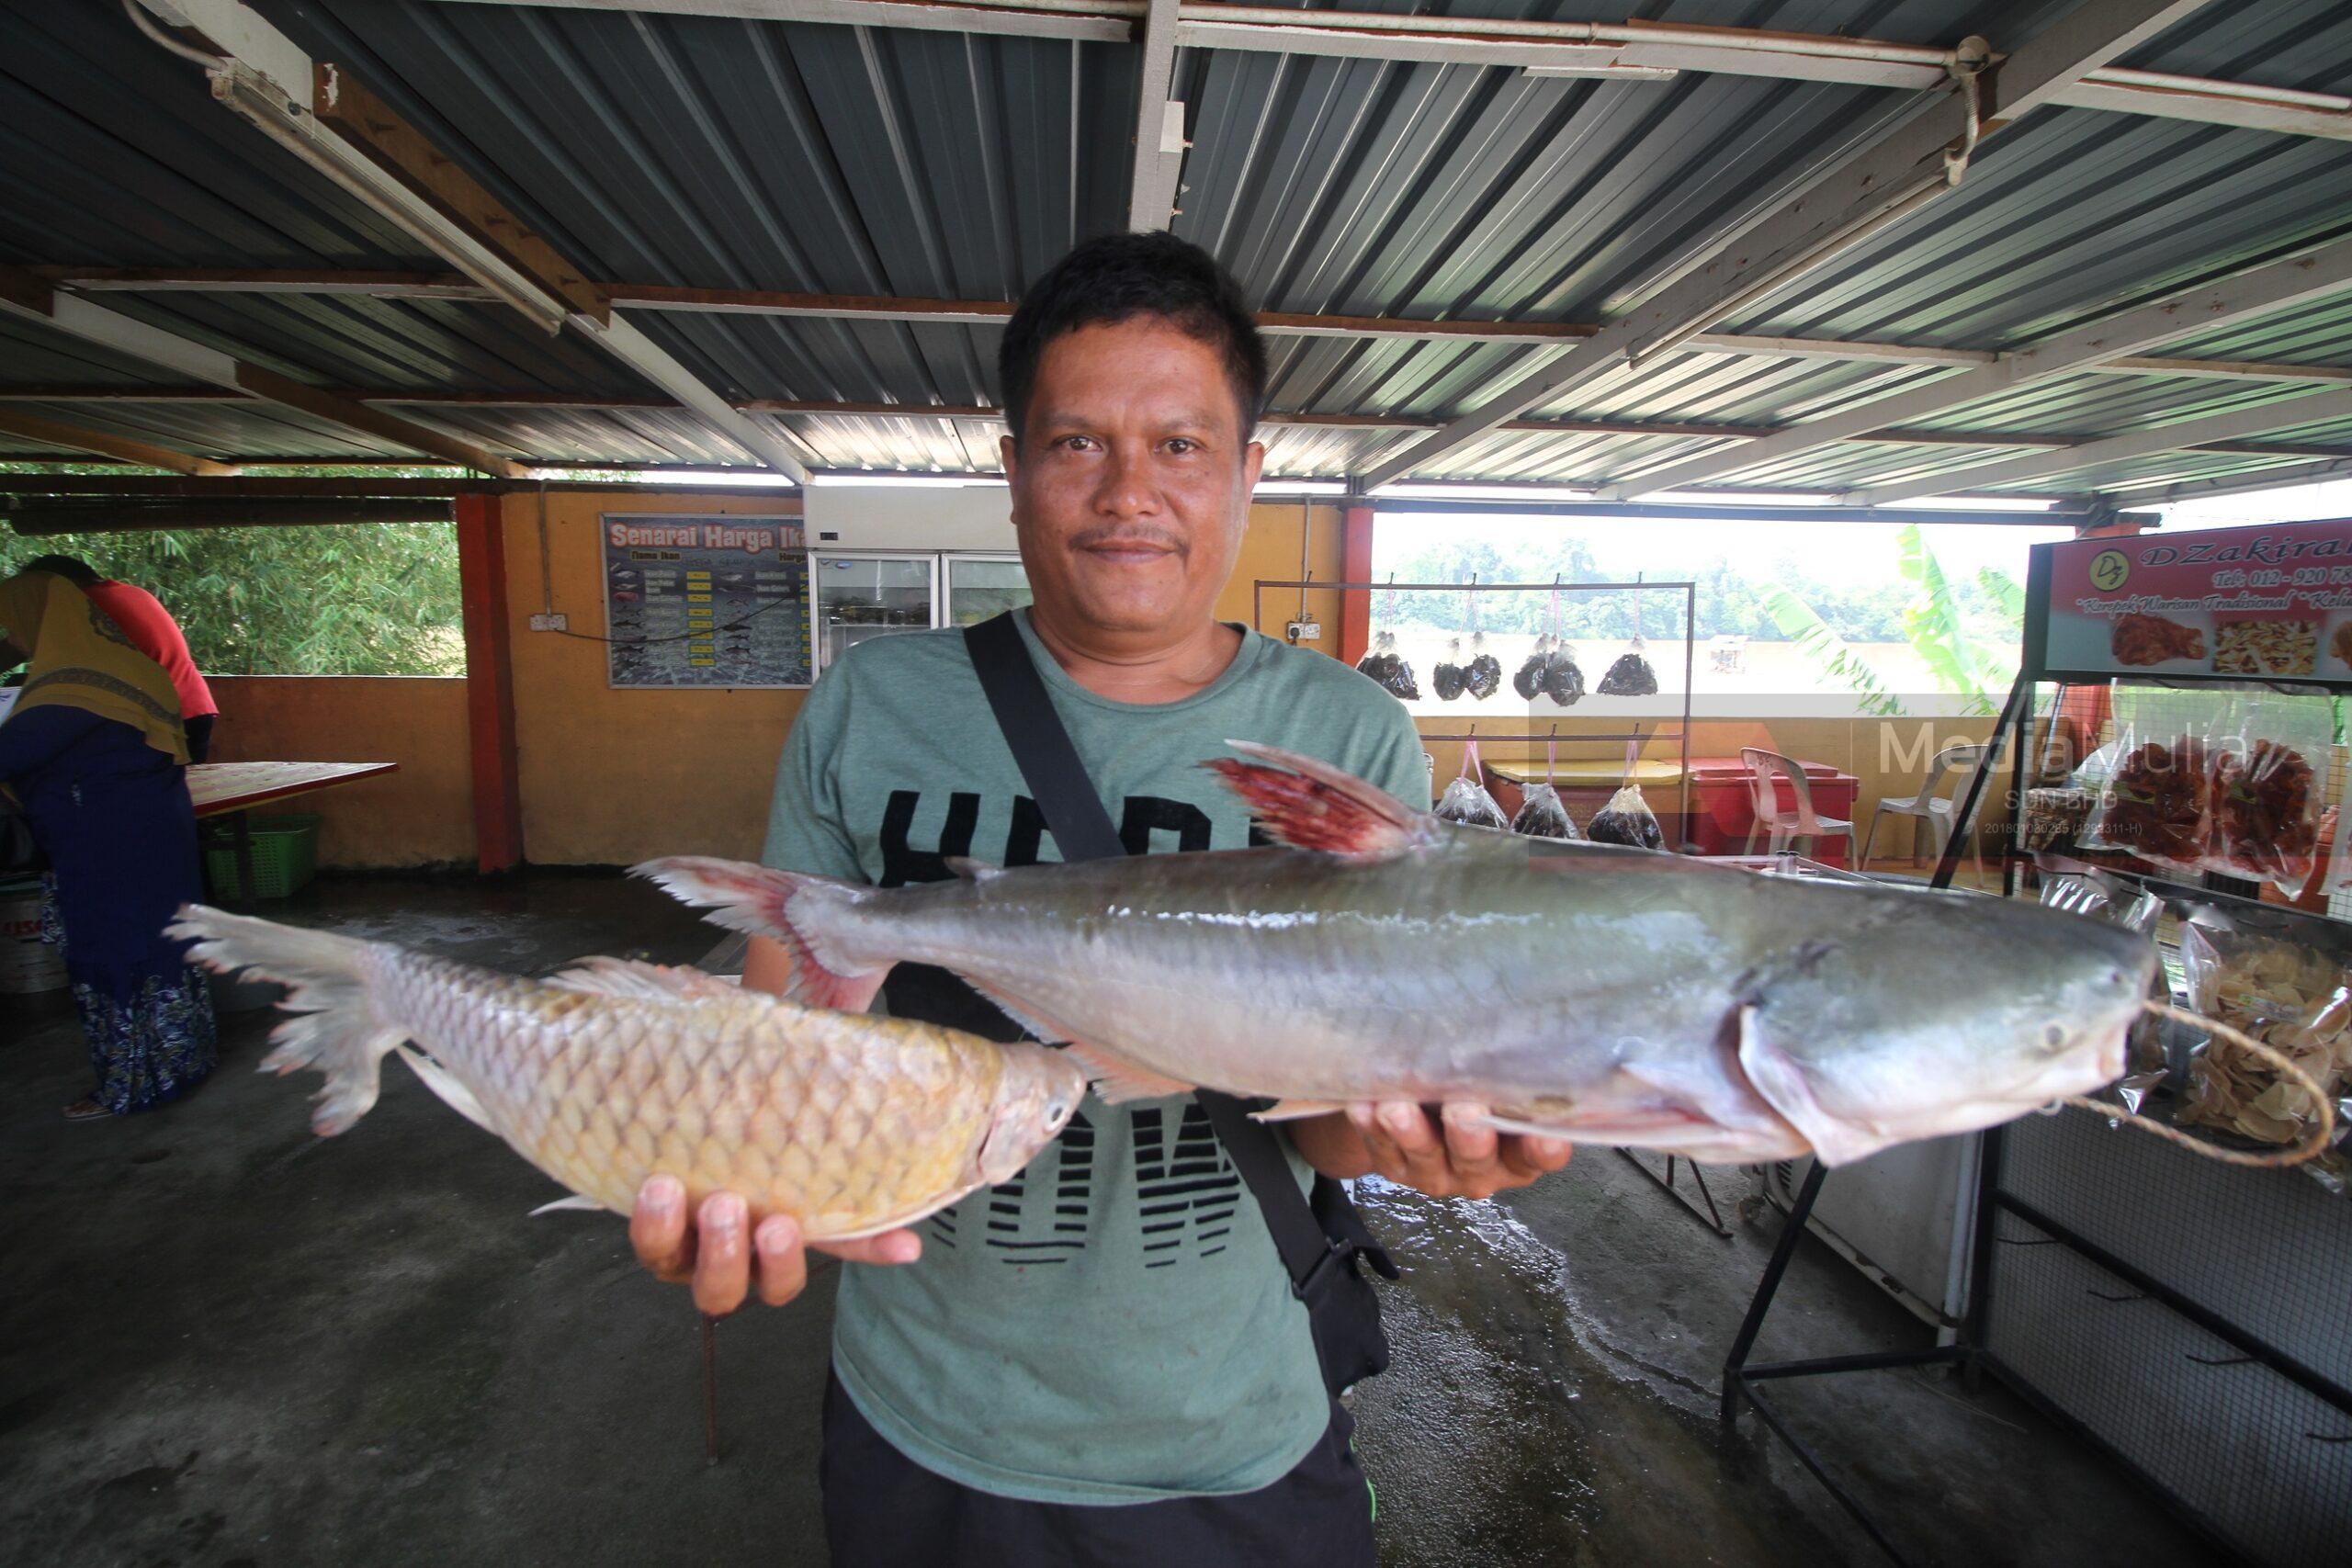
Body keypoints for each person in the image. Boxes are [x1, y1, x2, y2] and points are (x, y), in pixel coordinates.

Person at [628, 232, 1574, 1562]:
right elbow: (779, 1035)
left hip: (1230, 1418)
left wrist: (1435, 1135)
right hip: (927, 1407)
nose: (1131, 493)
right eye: (1078, 443)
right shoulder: (872, 707)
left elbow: (1336, 1141)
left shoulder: (1346, 739)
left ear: (1251, 471)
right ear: (1012, 467)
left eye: (1182, 446)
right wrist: (721, 1164)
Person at [0, 570, 216, 1119]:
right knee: (163, 943)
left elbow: (12, 754)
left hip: (106, 845)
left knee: (120, 950)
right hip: (153, 831)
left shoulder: (71, 687)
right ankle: (181, 1063)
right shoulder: (124, 666)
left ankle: (136, 1082)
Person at [22, 555, 220, 762]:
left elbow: (21, 646)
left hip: (160, 721)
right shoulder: (131, 593)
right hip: (192, 708)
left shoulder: (85, 606)